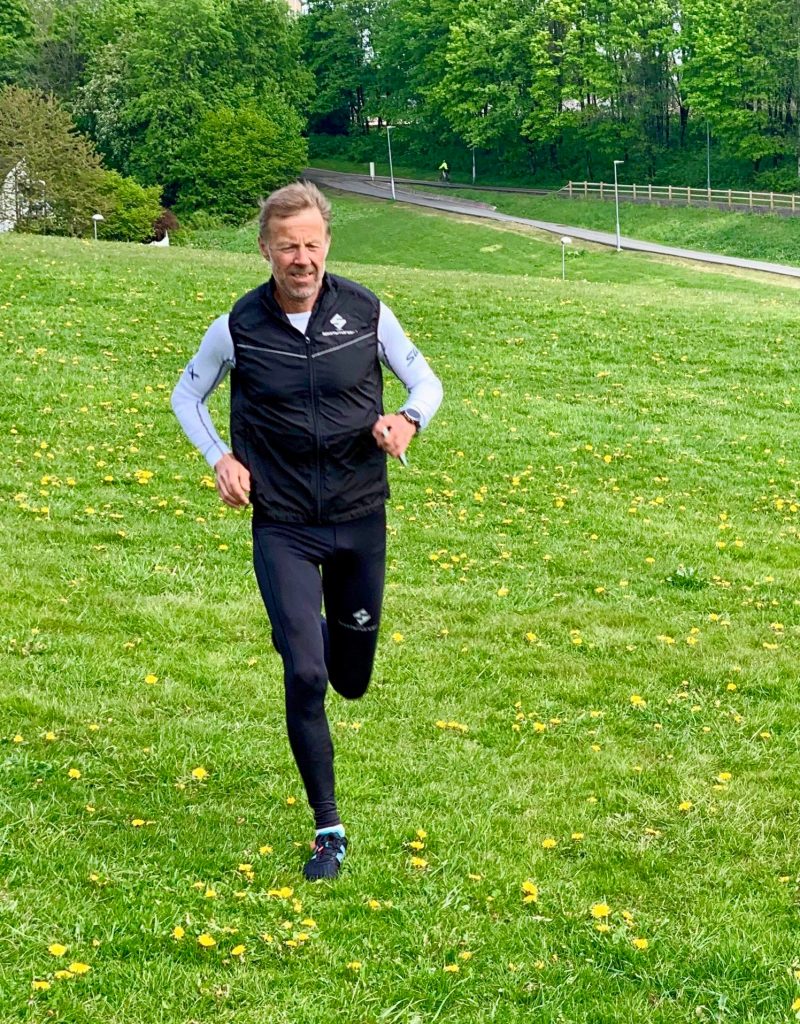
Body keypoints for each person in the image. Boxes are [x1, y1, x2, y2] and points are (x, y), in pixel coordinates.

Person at [171, 181, 443, 881]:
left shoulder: (367, 312)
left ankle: (304, 631)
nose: (302, 259)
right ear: (265, 249)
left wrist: (407, 420)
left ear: (327, 245)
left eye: (312, 245)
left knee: (349, 680)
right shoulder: (237, 327)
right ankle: (329, 829)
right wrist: (220, 457)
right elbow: (187, 394)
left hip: (359, 519)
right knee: (306, 672)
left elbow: (427, 384)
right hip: (284, 524)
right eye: (288, 246)